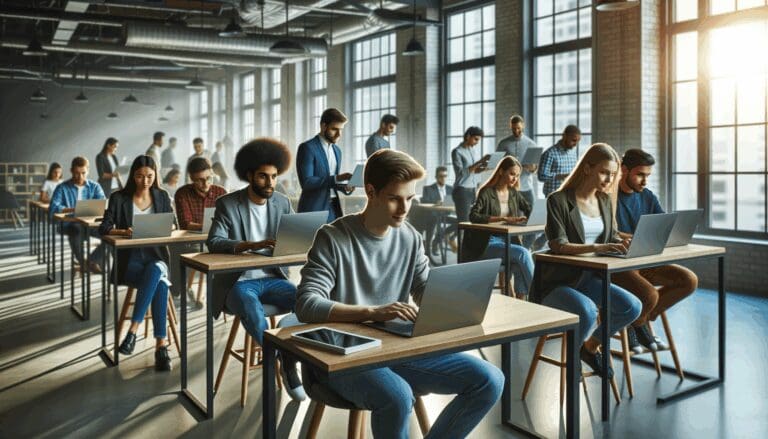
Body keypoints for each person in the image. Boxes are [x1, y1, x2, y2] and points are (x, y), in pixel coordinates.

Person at [295, 149, 504, 438]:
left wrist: (453, 301)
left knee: (491, 379)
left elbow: (423, 290)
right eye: (395, 197)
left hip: (397, 347)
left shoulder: (410, 237)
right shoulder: (332, 237)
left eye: (410, 198)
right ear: (371, 191)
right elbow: (307, 303)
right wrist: (373, 312)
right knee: (397, 396)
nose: (404, 208)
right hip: (344, 356)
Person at [531, 143, 642, 378]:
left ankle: (589, 348)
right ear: (587, 168)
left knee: (632, 306)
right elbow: (558, 245)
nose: (608, 179)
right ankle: (573, 361)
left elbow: (611, 236)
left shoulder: (604, 201)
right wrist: (598, 247)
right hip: (557, 282)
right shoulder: (558, 200)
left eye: (613, 174)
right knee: (589, 310)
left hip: (588, 278)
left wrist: (626, 244)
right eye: (604, 172)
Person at [207, 138, 305, 401]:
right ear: (249, 175)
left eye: (274, 176)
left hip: (273, 278)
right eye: (263, 176)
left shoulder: (282, 203)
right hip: (238, 283)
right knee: (251, 309)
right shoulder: (228, 203)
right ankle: (286, 359)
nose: (270, 182)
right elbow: (214, 241)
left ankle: (286, 353)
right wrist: (252, 245)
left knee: (307, 302)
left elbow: (294, 238)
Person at [612, 149, 698, 354]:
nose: (645, 181)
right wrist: (631, 237)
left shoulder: (647, 196)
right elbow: (608, 232)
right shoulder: (609, 196)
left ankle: (638, 321)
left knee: (689, 280)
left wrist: (671, 233)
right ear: (624, 170)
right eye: (640, 175)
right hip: (619, 265)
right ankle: (637, 324)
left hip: (645, 261)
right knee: (649, 295)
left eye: (648, 176)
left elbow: (662, 224)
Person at [99, 155, 175, 372]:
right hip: (130, 263)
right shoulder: (118, 198)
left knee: (156, 271)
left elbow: (173, 224)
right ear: (133, 175)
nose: (145, 181)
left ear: (155, 176)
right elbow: (103, 228)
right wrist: (123, 231)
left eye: (150, 176)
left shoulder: (161, 196)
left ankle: (133, 330)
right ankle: (161, 347)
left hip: (156, 258)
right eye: (140, 176)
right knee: (159, 282)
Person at [464, 156, 534, 298]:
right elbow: (473, 216)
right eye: (512, 174)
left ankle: (520, 304)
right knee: (523, 254)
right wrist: (503, 218)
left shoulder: (514, 193)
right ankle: (539, 294)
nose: (515, 178)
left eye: (517, 175)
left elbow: (529, 209)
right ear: (501, 172)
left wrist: (533, 215)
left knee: (519, 263)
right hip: (487, 244)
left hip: (506, 242)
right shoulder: (487, 192)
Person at [49, 157, 107, 274]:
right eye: (76, 173)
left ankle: (89, 262)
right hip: (71, 223)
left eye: (83, 173)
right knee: (76, 229)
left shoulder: (95, 186)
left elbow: (103, 205)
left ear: (88, 171)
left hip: (91, 223)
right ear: (71, 171)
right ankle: (86, 263)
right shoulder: (62, 187)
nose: (80, 177)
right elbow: (53, 208)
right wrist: (74, 209)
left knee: (110, 234)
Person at [296, 108, 354, 222]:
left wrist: (345, 187)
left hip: (334, 208)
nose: (338, 134)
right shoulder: (307, 148)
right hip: (313, 209)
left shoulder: (337, 151)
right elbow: (307, 182)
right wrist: (338, 178)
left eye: (341, 130)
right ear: (323, 126)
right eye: (334, 129)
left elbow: (330, 183)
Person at [496, 115, 538, 206]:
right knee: (514, 217)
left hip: (526, 187)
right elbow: (495, 164)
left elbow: (535, 170)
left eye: (518, 128)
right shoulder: (503, 143)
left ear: (523, 126)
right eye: (513, 128)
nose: (516, 131)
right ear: (510, 126)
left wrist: (533, 169)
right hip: (509, 188)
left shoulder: (532, 144)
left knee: (532, 216)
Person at [451, 126, 489, 225]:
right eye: (476, 139)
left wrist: (485, 167)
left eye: (479, 140)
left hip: (474, 190)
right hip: (462, 191)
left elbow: (475, 171)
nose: (477, 142)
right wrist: (480, 161)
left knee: (474, 220)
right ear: (468, 136)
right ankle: (453, 236)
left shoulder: (473, 151)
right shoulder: (457, 152)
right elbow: (460, 173)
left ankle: (449, 235)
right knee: (464, 222)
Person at [538, 125, 581, 197]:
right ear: (564, 136)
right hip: (553, 197)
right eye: (573, 140)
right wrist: (559, 176)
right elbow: (541, 176)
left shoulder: (573, 153)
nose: (575, 144)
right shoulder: (550, 153)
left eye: (578, 141)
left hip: (569, 195)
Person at [421, 166, 454, 256]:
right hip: (433, 215)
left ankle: (437, 240)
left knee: (459, 222)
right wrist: (436, 202)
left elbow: (452, 202)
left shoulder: (450, 189)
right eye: (441, 176)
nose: (443, 178)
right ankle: (428, 250)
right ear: (436, 177)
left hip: (445, 214)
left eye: (445, 176)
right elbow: (424, 200)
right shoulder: (428, 188)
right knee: (433, 221)